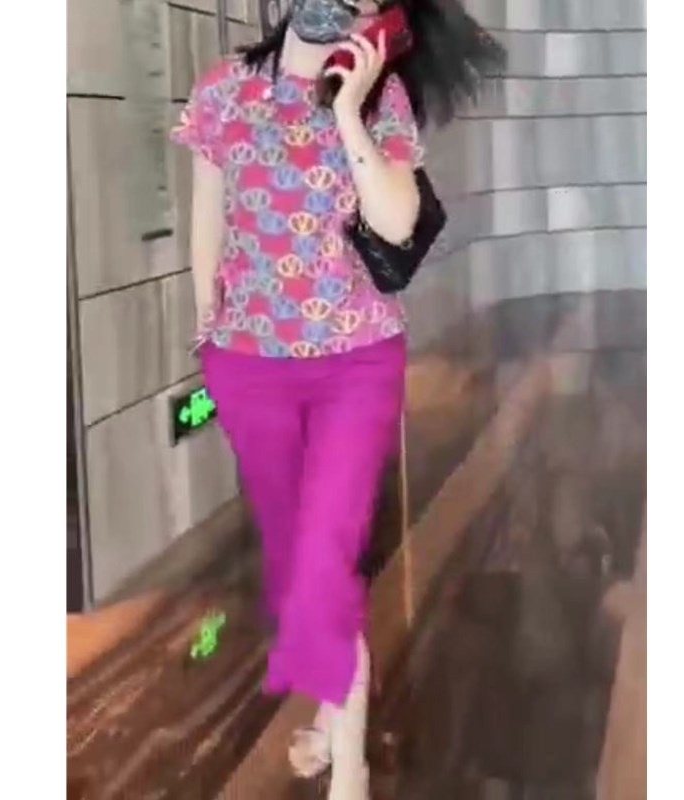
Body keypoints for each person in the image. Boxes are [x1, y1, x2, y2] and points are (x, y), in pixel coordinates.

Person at [171, 1, 504, 796]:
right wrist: (208, 328)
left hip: (356, 360)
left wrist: (349, 110)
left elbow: (397, 220)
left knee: (326, 555)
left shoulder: (379, 95)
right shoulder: (224, 90)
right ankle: (332, 707)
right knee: (299, 558)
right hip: (250, 366)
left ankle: (349, 770)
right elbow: (208, 214)